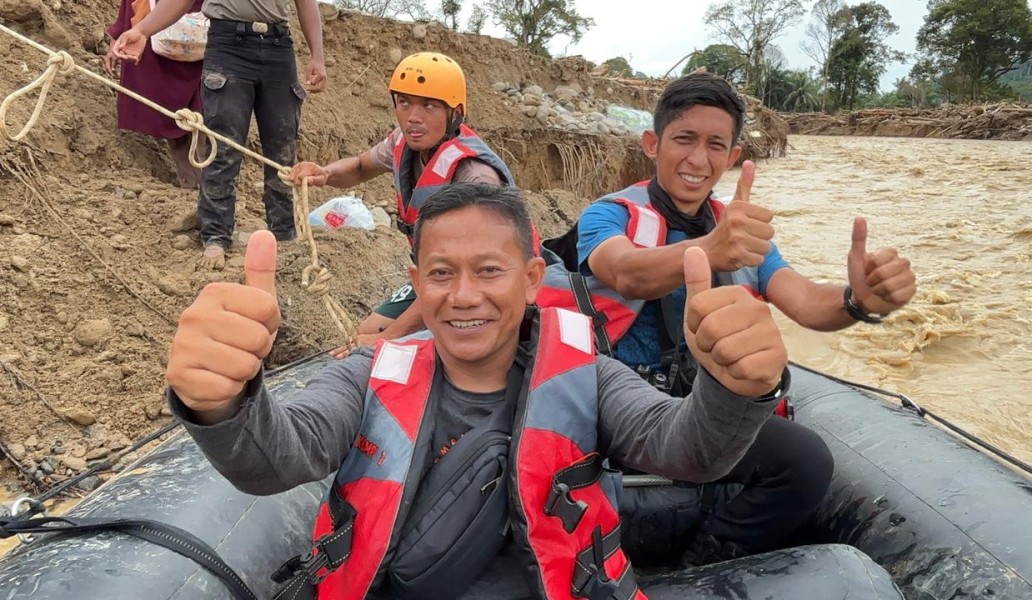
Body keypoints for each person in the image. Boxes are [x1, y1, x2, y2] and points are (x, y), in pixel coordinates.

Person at [164, 183, 794, 599]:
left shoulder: (590, 376)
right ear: (416, 281)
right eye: (441, 273)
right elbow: (275, 458)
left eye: (488, 271)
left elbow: (690, 452)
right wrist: (219, 402)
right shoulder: (367, 373)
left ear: (529, 279)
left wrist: (730, 390)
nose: (463, 295)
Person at [538, 71, 916, 566]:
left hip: (709, 409)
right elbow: (626, 272)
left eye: (716, 144)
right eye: (684, 139)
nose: (699, 159)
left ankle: (710, 559)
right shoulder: (607, 215)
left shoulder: (740, 230)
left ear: (733, 157)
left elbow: (803, 301)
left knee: (805, 463)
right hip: (621, 404)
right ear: (652, 144)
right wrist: (710, 250)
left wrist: (858, 301)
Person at [289, 53, 516, 352]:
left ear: (455, 112)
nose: (413, 117)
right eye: (404, 102)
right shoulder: (402, 142)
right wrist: (325, 173)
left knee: (393, 350)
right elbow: (359, 166)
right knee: (364, 334)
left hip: (483, 286)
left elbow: (469, 276)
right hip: (437, 276)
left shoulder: (476, 179)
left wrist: (392, 336)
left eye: (429, 105)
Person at [111, 0, 327, 270]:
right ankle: (215, 236)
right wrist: (142, 30)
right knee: (223, 146)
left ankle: (283, 236)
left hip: (278, 47)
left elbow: (306, 3)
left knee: (282, 149)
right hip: (228, 46)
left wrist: (317, 55)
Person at [104, 0, 205, 189]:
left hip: (208, 34)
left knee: (205, 107)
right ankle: (192, 183)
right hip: (151, 35)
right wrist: (118, 38)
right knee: (167, 108)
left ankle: (212, 189)